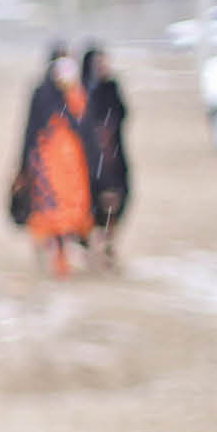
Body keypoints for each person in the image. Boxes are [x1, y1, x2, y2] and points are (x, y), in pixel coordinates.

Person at [14, 52, 93, 278]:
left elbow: (86, 128)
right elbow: (30, 130)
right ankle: (54, 256)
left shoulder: (76, 96)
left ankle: (62, 257)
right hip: (47, 163)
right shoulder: (42, 94)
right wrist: (23, 165)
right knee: (49, 211)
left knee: (70, 212)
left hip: (73, 165)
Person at [79, 43, 132, 269]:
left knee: (117, 202)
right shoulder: (82, 91)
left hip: (114, 157)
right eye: (98, 63)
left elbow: (123, 114)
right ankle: (92, 248)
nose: (103, 67)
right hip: (89, 160)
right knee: (93, 205)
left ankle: (108, 247)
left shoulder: (111, 87)